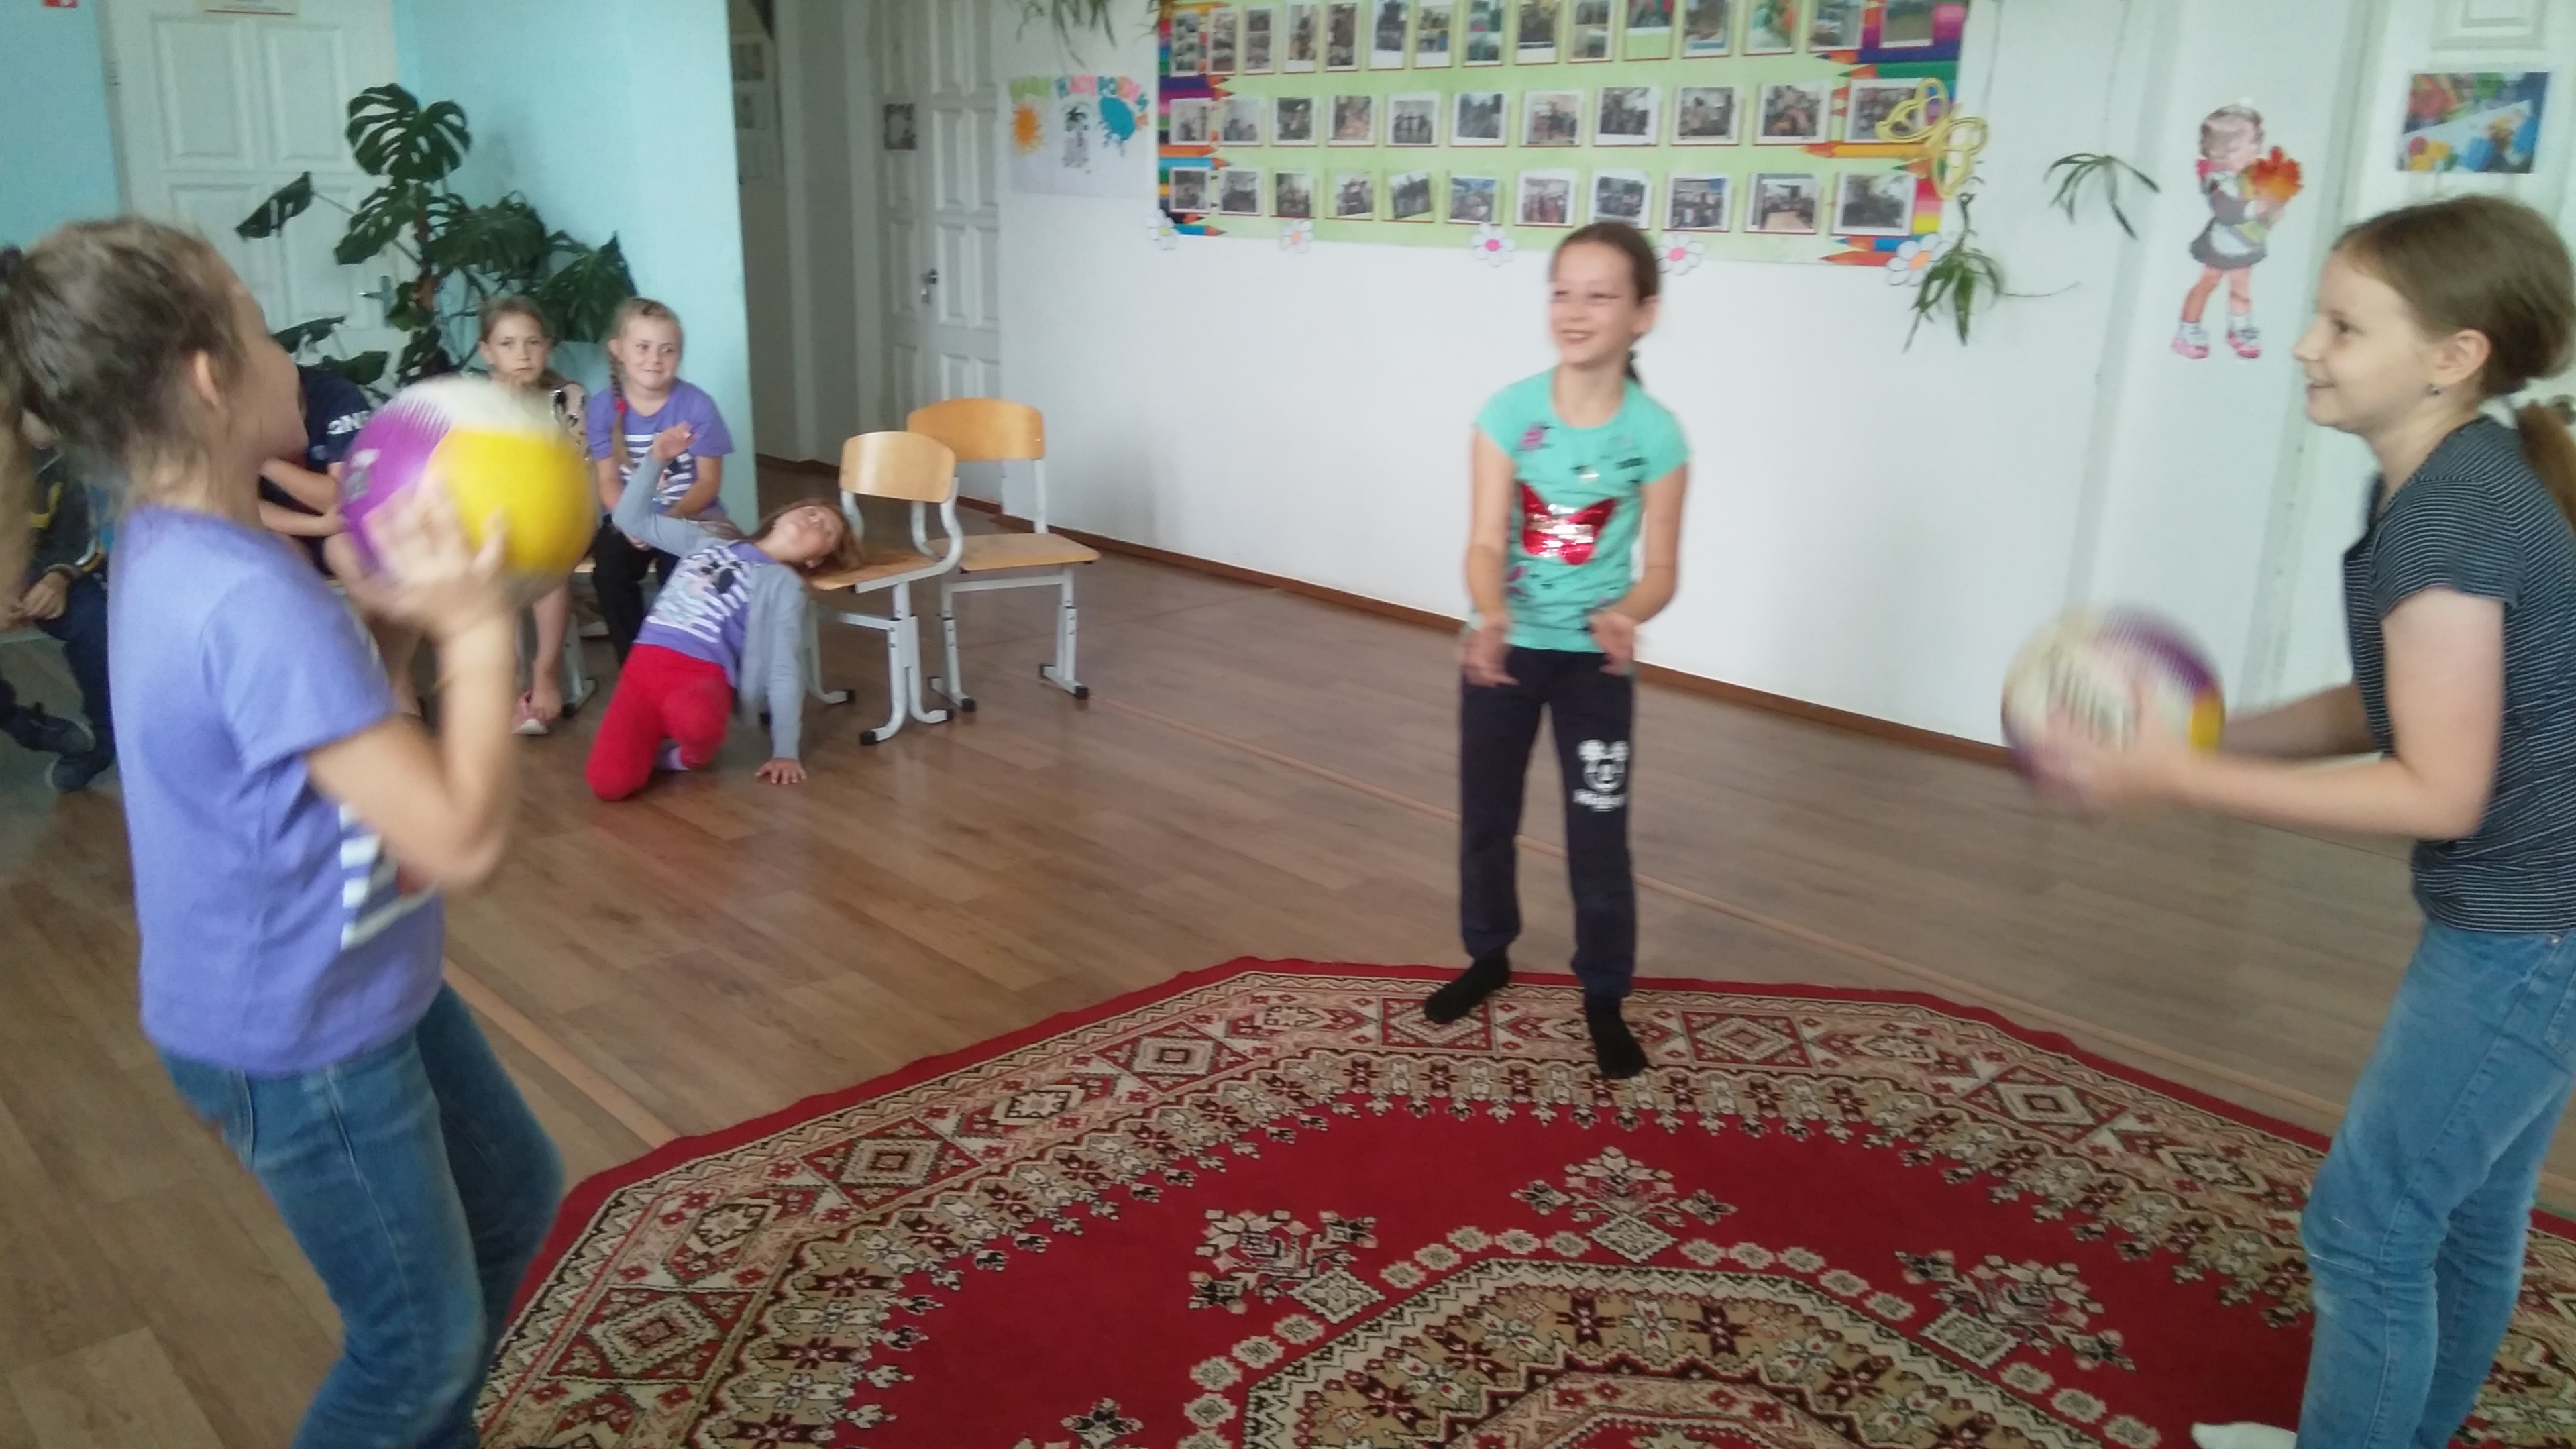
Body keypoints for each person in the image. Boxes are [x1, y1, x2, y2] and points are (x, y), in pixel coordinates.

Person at [0, 219, 559, 1449]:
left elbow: (336, 728)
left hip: (361, 977)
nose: (288, 355)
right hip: (303, 1040)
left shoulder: (181, 539)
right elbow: (460, 841)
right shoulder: (245, 598)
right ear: (210, 376)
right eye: (261, 329)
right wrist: (478, 627)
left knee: (515, 1197)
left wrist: (391, 622)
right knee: (415, 1347)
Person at [2038, 195, 2576, 1449]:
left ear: (2454, 356)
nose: (2304, 345)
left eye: (2344, 325)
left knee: (2368, 1226)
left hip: (2535, 932)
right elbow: (2392, 697)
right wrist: (2203, 739)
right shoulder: (2452, 479)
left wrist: (2177, 782)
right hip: (2544, 919)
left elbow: (2436, 788)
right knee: (2465, 1212)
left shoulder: (2452, 513)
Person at [1421, 219, 1690, 1081]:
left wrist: (1627, 615)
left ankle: (1604, 995)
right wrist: (1492, 616)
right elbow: (1482, 544)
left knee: (1598, 835)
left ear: (1643, 314)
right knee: (1487, 819)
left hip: (1594, 667)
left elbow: (1661, 571)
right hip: (1503, 653)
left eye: (1599, 296)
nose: (1574, 311)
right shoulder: (1508, 415)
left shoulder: (1657, 435)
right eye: (1562, 292)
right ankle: (1488, 954)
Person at [584, 444, 861, 800]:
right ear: (782, 516)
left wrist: (785, 751)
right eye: (811, 512)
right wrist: (657, 458)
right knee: (608, 785)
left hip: (701, 673)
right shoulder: (707, 540)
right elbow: (630, 519)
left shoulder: (785, 585)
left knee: (697, 720)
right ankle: (651, 741)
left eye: (827, 531)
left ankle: (685, 758)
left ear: (816, 559)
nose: (815, 521)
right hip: (643, 667)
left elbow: (784, 667)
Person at [588, 297, 733, 661]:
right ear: (618, 350)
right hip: (629, 518)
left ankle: (684, 664)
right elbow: (607, 481)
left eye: (668, 350)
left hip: (690, 517)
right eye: (643, 347)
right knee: (609, 571)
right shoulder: (602, 408)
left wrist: (663, 524)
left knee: (685, 573)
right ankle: (636, 666)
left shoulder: (697, 405)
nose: (655, 358)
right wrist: (630, 522)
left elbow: (708, 483)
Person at [475, 296, 590, 734]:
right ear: (487, 352)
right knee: (492, 567)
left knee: (547, 566)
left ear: (548, 347)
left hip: (560, 518)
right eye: (507, 344)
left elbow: (578, 463)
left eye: (532, 342)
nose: (522, 354)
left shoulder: (567, 398)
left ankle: (546, 669)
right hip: (497, 525)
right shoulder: (474, 403)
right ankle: (506, 677)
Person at [1, 411, 115, 792]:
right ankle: (18, 722)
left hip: (40, 566)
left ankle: (105, 740)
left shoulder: (64, 456)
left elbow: (82, 529)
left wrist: (59, 577)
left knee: (95, 622)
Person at [2175, 104, 2288, 362]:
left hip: (2246, 241)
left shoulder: (2254, 173)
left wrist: (2274, 205)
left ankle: (2240, 329)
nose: (2252, 152)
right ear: (2221, 152)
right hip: (2222, 242)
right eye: (2242, 147)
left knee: (2241, 284)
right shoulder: (2218, 180)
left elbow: (2267, 203)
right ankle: (2188, 329)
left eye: (2255, 143)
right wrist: (2256, 207)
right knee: (2209, 281)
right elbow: (2226, 210)